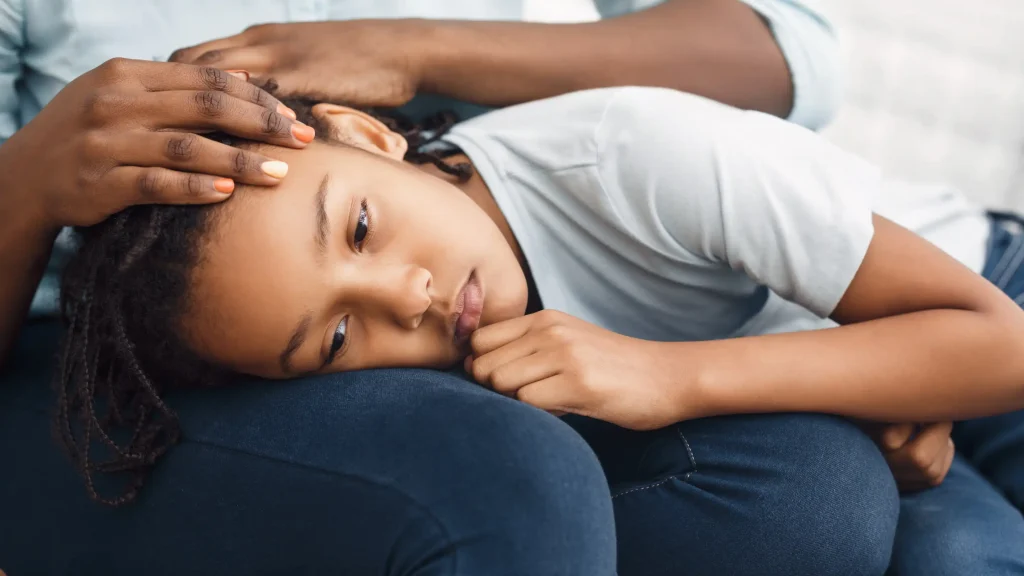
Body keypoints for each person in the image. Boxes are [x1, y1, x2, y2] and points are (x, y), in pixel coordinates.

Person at [0, 2, 852, 575]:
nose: (399, 293)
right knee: (504, 475)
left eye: (361, 226)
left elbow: (791, 59)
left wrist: (418, 50)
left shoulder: (582, 188)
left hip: (467, 300)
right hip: (82, 362)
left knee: (808, 491)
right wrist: (26, 183)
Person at [42, 85, 1024, 576]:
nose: (410, 296)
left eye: (360, 227)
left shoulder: (638, 157)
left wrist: (672, 380)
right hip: (884, 371)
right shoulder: (438, 363)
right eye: (337, 339)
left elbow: (997, 345)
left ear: (367, 134)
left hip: (970, 284)